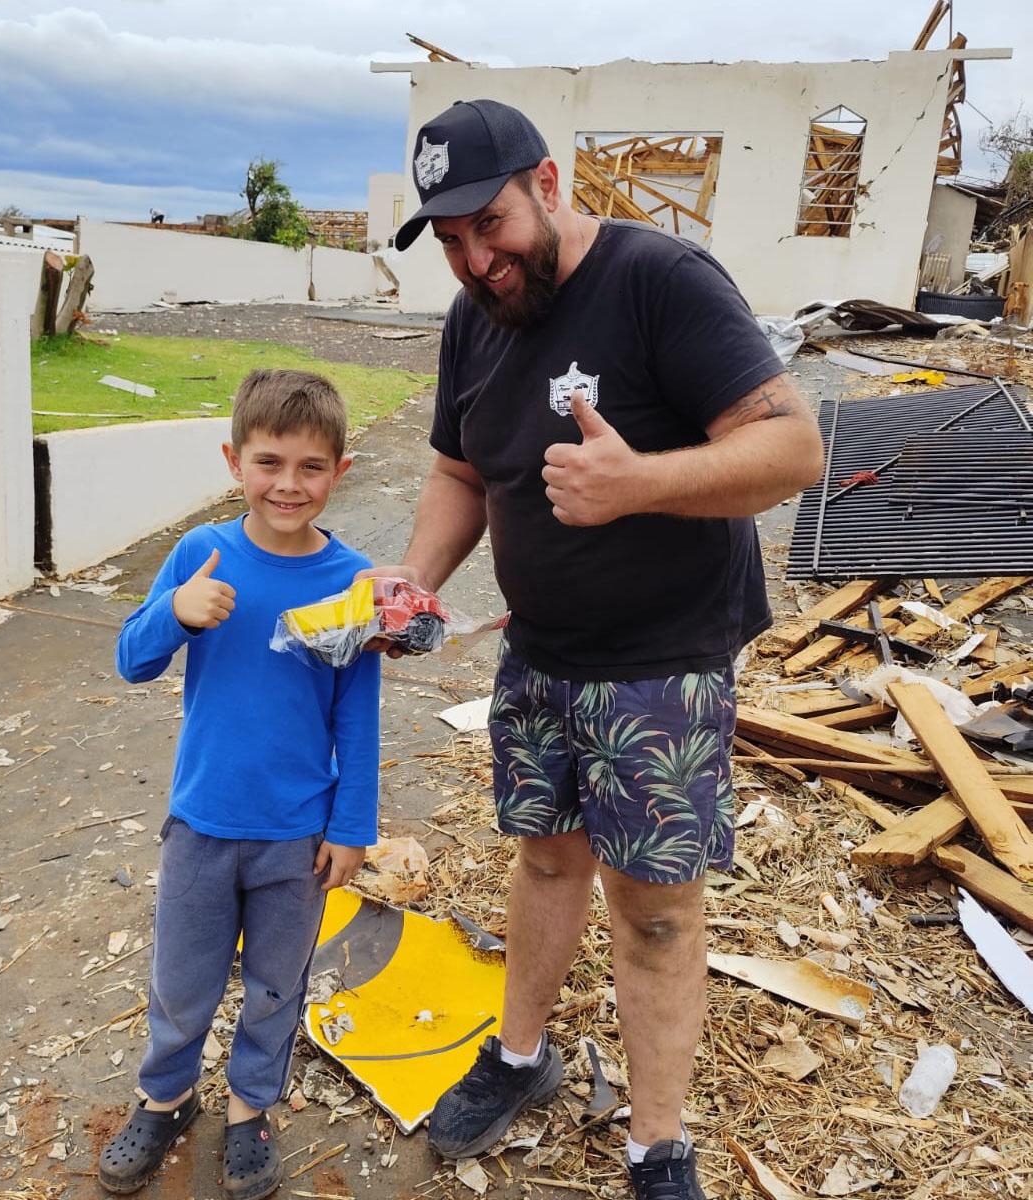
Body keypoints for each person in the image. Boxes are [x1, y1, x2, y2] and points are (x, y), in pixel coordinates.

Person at [370, 99, 825, 1200]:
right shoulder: (476, 317)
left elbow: (793, 447)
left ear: (550, 184)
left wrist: (640, 484)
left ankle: (657, 1145)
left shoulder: (662, 280)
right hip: (540, 656)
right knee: (545, 859)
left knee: (657, 908)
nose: (477, 259)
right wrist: (416, 580)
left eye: (491, 224)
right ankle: (522, 1059)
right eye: (451, 240)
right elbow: (459, 472)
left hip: (662, 665)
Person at [99, 369, 381, 1198]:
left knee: (274, 986)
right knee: (182, 979)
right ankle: (167, 1096)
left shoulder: (351, 577)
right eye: (268, 463)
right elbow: (132, 660)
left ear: (341, 471)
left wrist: (351, 825)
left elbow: (356, 712)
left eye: (310, 467)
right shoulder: (200, 555)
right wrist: (176, 611)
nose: (287, 485)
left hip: (296, 834)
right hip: (203, 821)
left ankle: (250, 1107)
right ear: (233, 461)